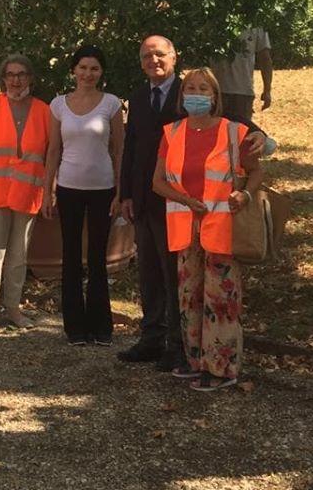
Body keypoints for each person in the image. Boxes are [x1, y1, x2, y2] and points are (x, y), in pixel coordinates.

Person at [118, 34, 271, 369]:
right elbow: (131, 149)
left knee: (178, 281)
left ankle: (178, 346)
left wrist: (263, 136)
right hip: (149, 200)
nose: (153, 61)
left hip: (191, 209)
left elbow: (238, 126)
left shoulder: (191, 89)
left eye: (159, 55)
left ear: (174, 57)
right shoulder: (139, 96)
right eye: (146, 56)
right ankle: (151, 337)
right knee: (150, 277)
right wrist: (125, 193)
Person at [152, 67, 263, 392]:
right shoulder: (172, 132)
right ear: (181, 95)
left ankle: (223, 368)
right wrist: (184, 200)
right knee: (190, 298)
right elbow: (157, 183)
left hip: (224, 229)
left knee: (221, 300)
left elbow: (257, 172)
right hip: (186, 230)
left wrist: (245, 194)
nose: (195, 94)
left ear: (215, 97)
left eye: (203, 89)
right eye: (189, 88)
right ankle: (196, 361)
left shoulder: (234, 131)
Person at [43, 45, 124, 346]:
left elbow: (119, 150)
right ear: (73, 70)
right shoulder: (58, 105)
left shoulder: (112, 104)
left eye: (94, 69)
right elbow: (53, 150)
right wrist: (46, 191)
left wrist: (120, 190)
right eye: (83, 68)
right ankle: (74, 327)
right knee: (71, 256)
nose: (88, 74)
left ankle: (101, 326)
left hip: (103, 189)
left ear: (101, 72)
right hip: (68, 188)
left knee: (97, 257)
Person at [0, 54, 50, 334]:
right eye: (10, 74)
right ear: (3, 79)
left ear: (31, 78)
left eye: (21, 74)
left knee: (19, 255)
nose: (16, 80)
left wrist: (51, 190)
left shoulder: (44, 111)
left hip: (28, 191)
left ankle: (13, 308)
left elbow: (51, 153)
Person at [212, 27, 273, 121]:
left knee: (242, 131)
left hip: (242, 92)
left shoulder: (257, 24)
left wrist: (267, 90)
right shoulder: (214, 19)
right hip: (215, 91)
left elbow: (265, 58)